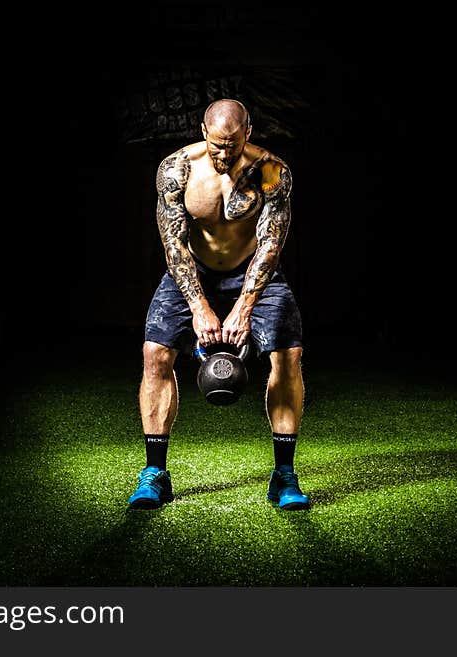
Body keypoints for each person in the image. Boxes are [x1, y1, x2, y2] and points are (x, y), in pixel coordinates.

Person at [129, 98, 308, 511]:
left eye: (232, 144)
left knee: (289, 355)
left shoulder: (270, 172)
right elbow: (173, 245)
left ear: (248, 132)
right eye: (217, 145)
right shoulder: (177, 170)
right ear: (203, 132)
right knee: (155, 353)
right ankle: (155, 473)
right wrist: (199, 306)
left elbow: (270, 245)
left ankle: (283, 475)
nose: (224, 154)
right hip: (193, 272)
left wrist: (244, 307)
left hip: (253, 273)